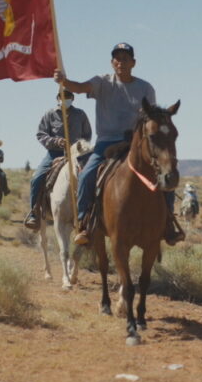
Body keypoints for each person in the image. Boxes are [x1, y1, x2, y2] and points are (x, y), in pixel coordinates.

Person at [53, 42, 184, 245]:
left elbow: (152, 118)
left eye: (125, 58)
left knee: (163, 173)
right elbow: (80, 88)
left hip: (135, 143)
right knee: (87, 174)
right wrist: (64, 81)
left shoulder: (145, 88)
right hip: (106, 143)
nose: (121, 62)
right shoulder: (103, 82)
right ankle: (85, 223)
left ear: (133, 62)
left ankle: (168, 222)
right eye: (117, 58)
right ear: (112, 62)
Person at [23, 90, 92, 229]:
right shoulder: (49, 114)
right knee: (36, 177)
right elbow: (41, 134)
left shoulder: (81, 114)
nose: (64, 99)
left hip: (77, 155)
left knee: (92, 175)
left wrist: (78, 145)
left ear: (72, 98)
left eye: (67, 96)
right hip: (54, 153)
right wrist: (55, 141)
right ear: (57, 98)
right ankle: (34, 213)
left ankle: (92, 213)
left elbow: (87, 134)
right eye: (62, 96)